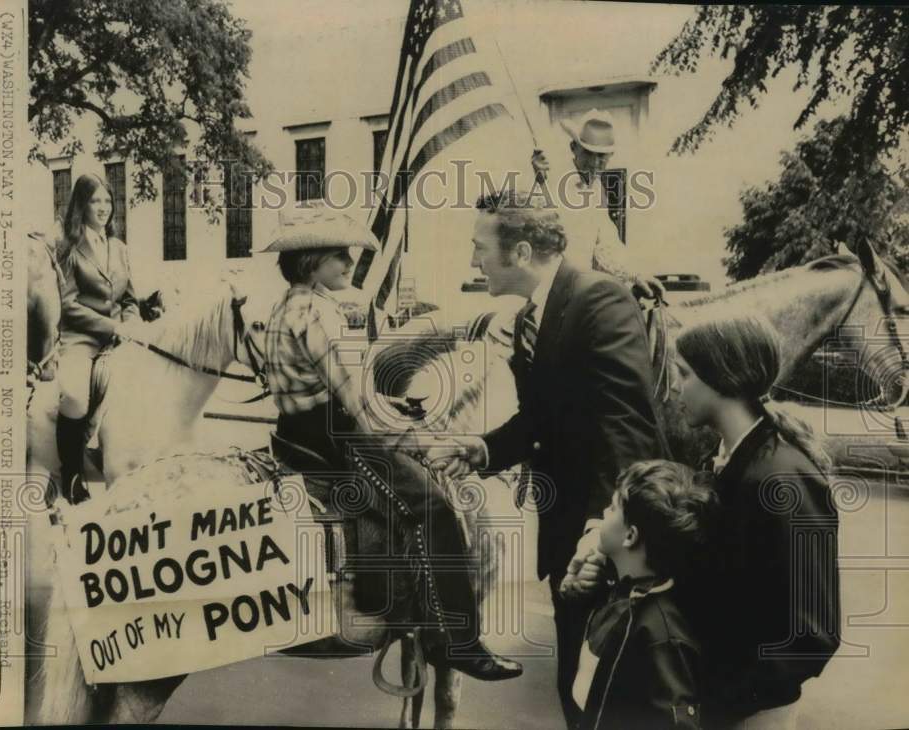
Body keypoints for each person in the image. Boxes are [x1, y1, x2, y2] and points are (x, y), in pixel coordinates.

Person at [435, 189, 666, 727]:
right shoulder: (530, 318)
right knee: (577, 690)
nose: (473, 260)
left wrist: (600, 535)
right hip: (570, 541)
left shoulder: (599, 300)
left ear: (519, 252)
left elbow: (627, 429)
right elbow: (543, 422)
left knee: (610, 699)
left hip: (606, 544)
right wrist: (484, 448)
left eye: (479, 248)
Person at [262, 206, 522, 681]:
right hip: (340, 443)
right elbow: (360, 408)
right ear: (311, 262)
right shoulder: (316, 313)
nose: (349, 261)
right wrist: (423, 440)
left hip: (297, 436)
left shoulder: (285, 305)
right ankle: (456, 642)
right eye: (338, 254)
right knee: (435, 508)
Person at [673, 313, 840, 729]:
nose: (675, 386)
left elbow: (811, 633)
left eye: (684, 374)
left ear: (720, 377)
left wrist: (726, 697)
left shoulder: (779, 479)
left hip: (750, 710)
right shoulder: (727, 460)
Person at [572, 460, 715, 730]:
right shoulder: (622, 591)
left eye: (613, 507)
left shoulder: (662, 634)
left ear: (630, 536)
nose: (604, 511)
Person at [55, 173, 144, 505]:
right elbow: (67, 305)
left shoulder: (119, 248)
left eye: (108, 200)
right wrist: (112, 327)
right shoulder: (68, 247)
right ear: (82, 204)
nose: (103, 207)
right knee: (76, 396)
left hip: (121, 338)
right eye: (95, 201)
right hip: (81, 339)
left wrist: (131, 325)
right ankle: (73, 477)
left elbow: (130, 300)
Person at [532, 108, 664, 300]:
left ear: (610, 156)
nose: (594, 163)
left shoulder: (595, 188)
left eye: (601, 156)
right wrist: (539, 180)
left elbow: (606, 242)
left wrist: (636, 275)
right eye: (588, 153)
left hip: (579, 291)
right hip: (548, 291)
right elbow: (536, 224)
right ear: (573, 148)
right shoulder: (552, 178)